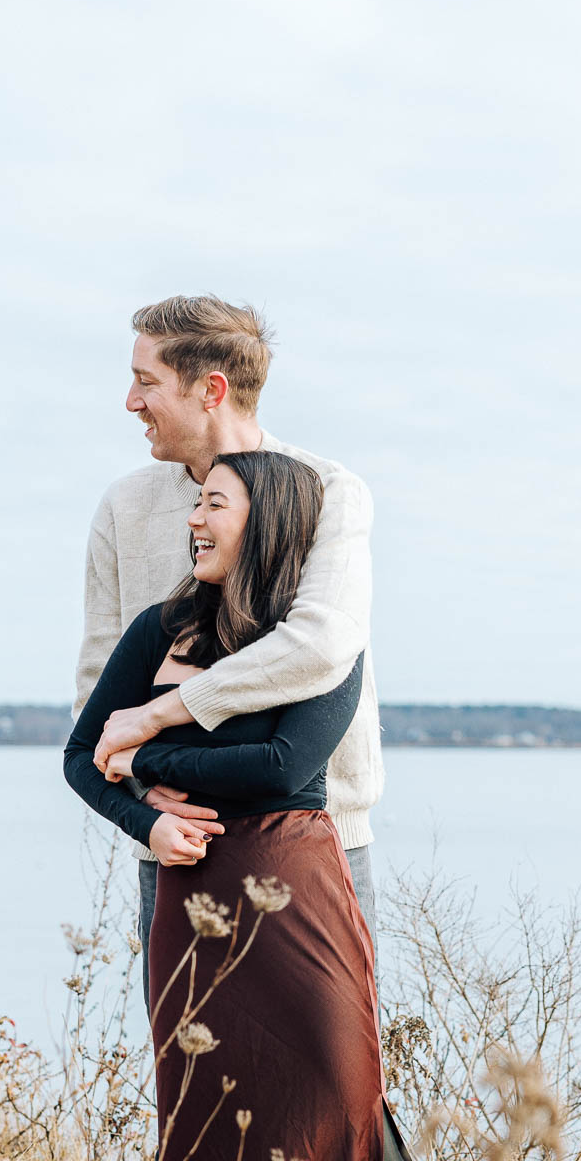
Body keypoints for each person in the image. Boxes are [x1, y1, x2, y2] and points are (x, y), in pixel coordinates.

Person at [65, 449, 494, 1161]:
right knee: (210, 1139)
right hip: (193, 905)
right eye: (196, 503)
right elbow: (82, 754)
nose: (193, 520)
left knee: (347, 1121)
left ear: (266, 524)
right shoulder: (155, 631)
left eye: (214, 504)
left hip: (297, 894)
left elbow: (281, 766)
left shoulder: (316, 642)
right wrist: (139, 816)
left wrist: (151, 753)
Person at [73, 296, 382, 1010]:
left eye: (146, 381)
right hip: (174, 840)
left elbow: (321, 644)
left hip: (313, 838)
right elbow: (99, 683)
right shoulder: (125, 507)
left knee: (327, 1070)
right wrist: (138, 801)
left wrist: (157, 720)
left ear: (209, 388)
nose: (129, 401)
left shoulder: (325, 490)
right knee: (191, 1076)